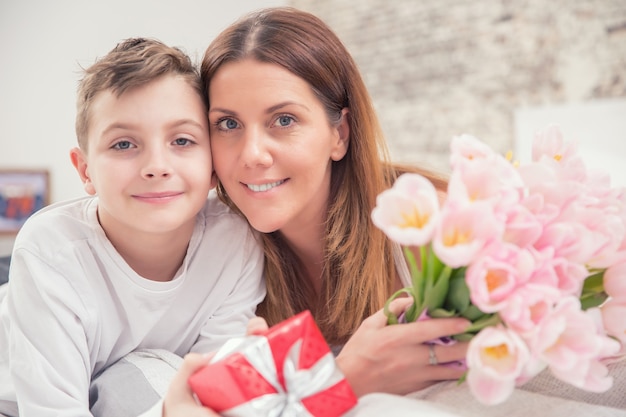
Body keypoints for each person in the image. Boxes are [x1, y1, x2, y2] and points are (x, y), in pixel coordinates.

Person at [159, 6, 626, 417]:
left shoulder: (436, 230)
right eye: (228, 124)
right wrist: (344, 379)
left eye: (284, 120)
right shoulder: (218, 253)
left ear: (339, 133)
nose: (252, 154)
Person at [0, 37, 265, 417]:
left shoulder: (235, 243)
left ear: (212, 165)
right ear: (85, 170)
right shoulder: (48, 252)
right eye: (124, 144)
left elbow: (211, 395)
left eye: (183, 140)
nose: (156, 165)